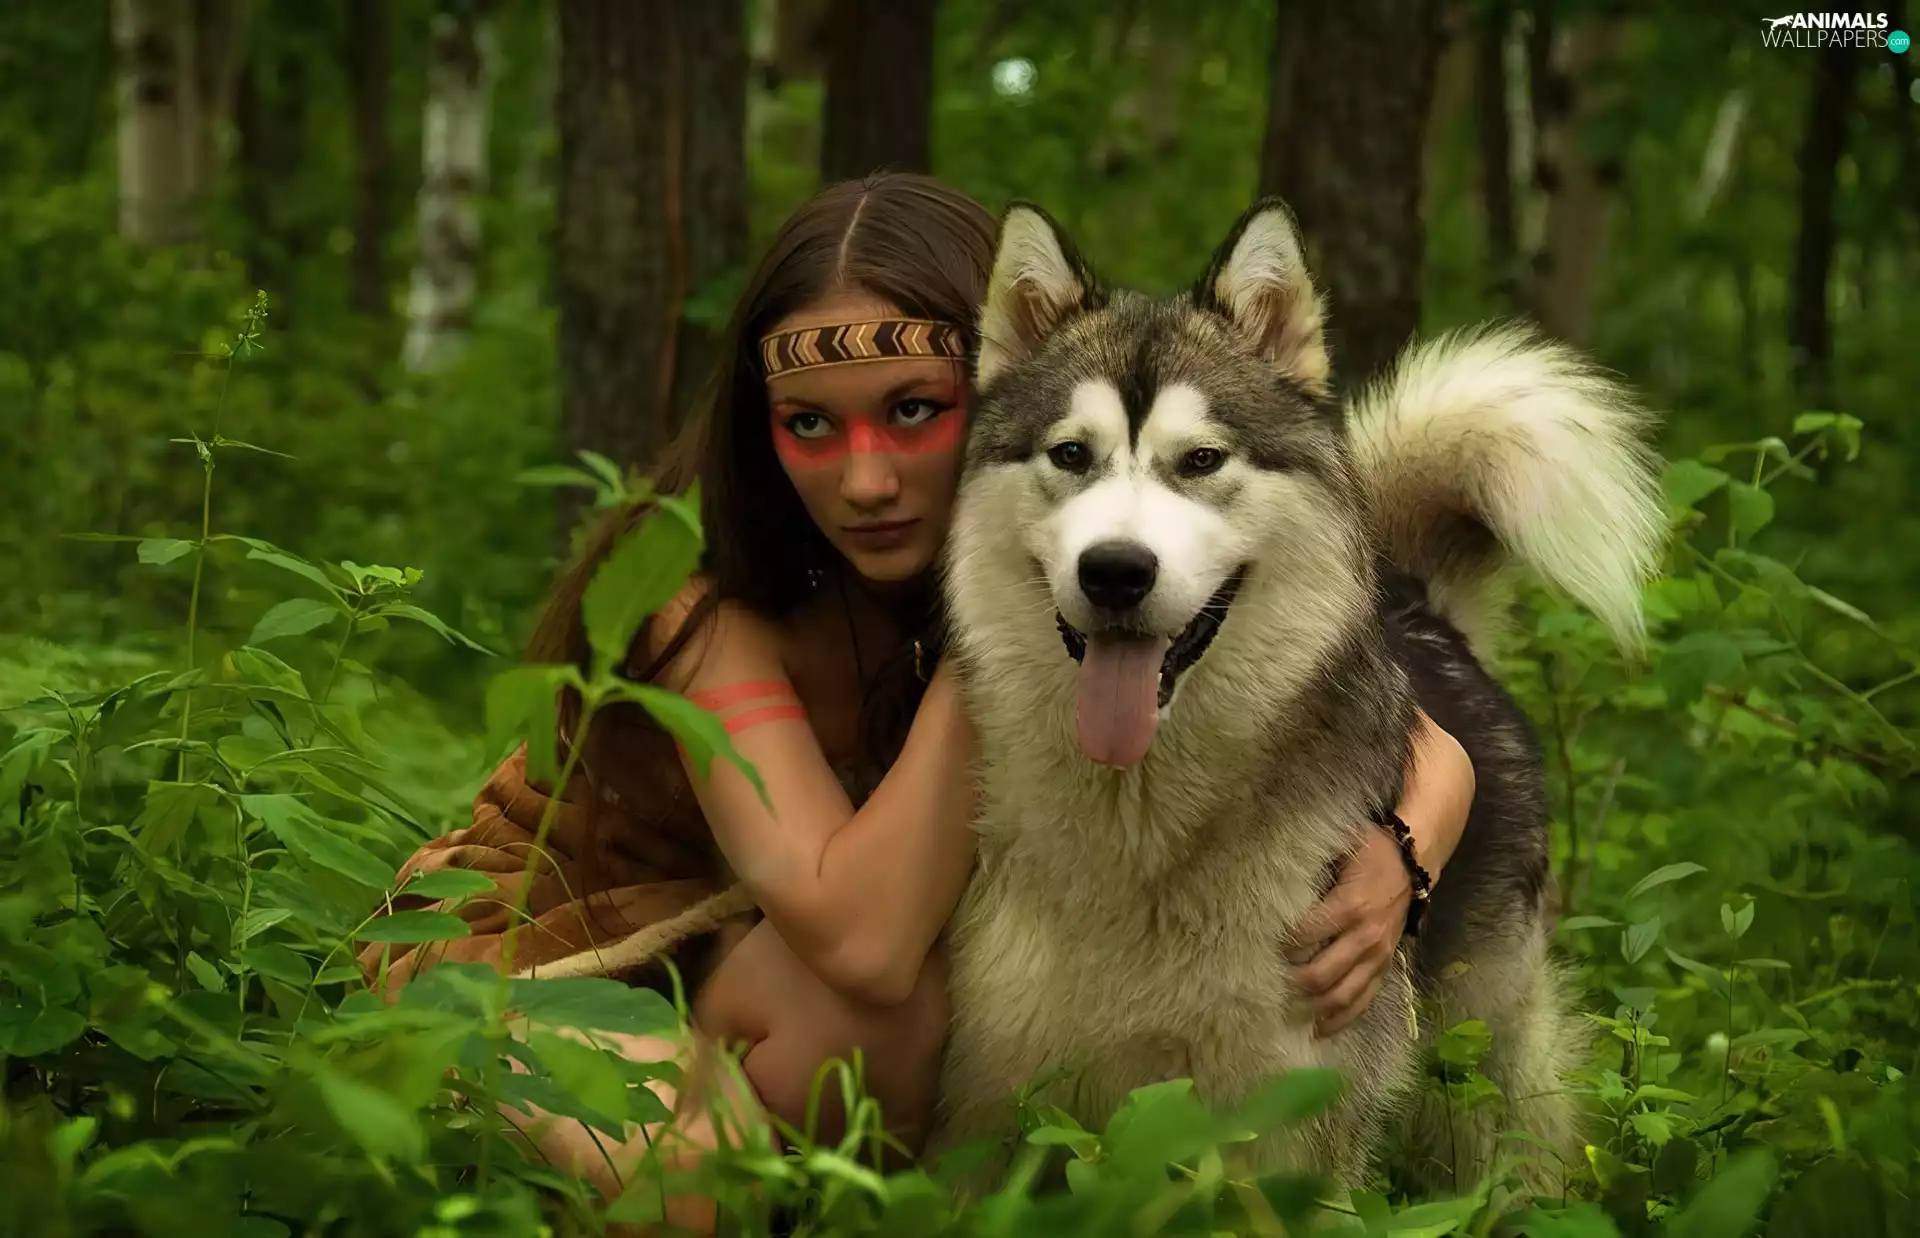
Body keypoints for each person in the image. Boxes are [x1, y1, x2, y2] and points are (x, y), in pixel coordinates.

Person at [360, 173, 1478, 1225]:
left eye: (911, 411)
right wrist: (998, 644)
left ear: (988, 380)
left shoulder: (1041, 539)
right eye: (811, 423)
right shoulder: (710, 610)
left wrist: (1405, 849)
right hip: (546, 954)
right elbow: (864, 938)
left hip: (752, 955)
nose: (867, 478)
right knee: (726, 1153)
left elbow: (1413, 738)